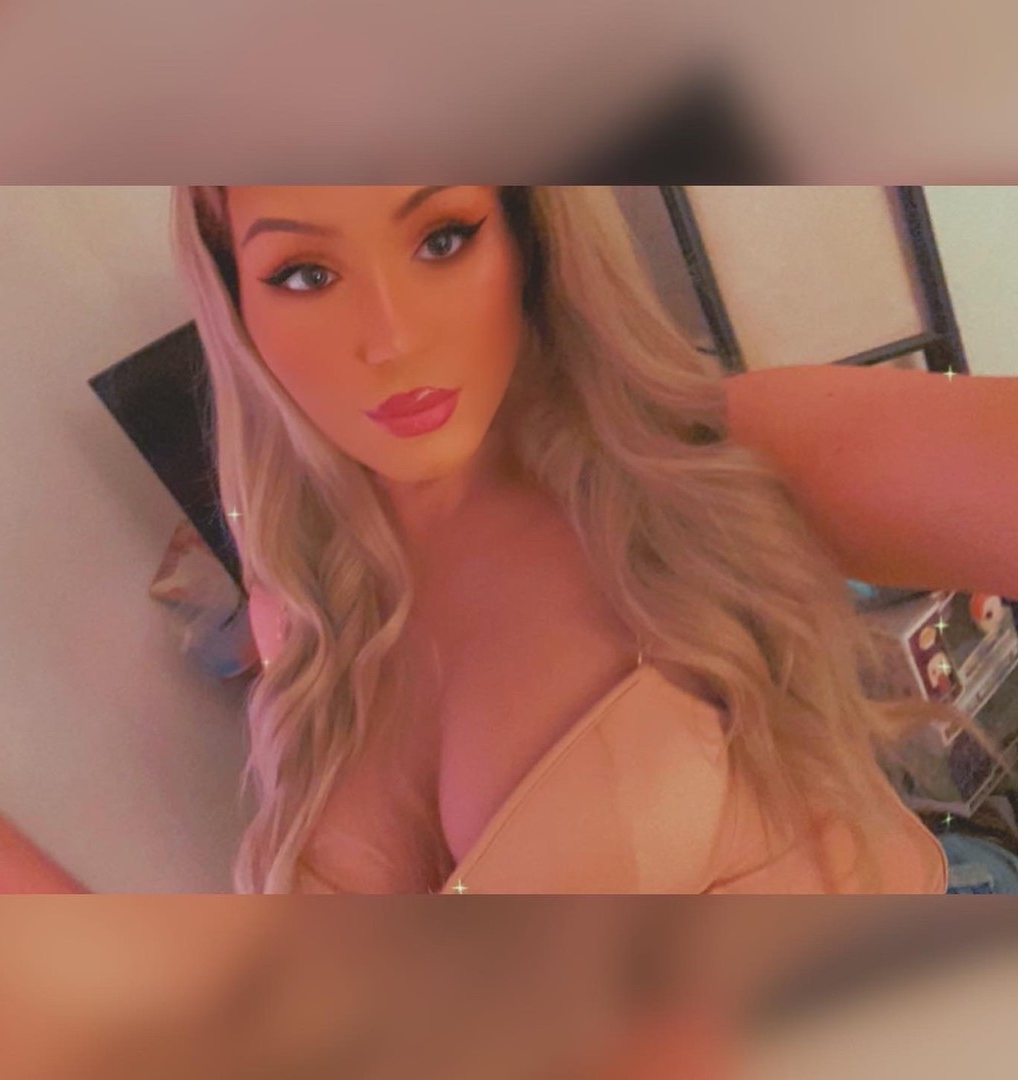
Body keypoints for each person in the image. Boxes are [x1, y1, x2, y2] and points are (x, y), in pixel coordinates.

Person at [170, 185, 1017, 895]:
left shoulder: (702, 464)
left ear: (526, 230)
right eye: (307, 274)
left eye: (444, 238)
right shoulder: (300, 596)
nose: (393, 337)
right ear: (234, 299)